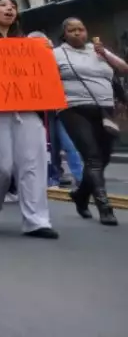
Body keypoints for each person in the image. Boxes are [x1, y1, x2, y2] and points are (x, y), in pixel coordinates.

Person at [0, 0, 57, 239]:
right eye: (3, 5)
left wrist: (46, 53)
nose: (9, 8)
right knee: (1, 165)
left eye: (13, 6)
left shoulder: (27, 43)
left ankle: (37, 221)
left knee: (32, 164)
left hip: (27, 109)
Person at [53, 17, 128, 226]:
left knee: (103, 157)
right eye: (72, 30)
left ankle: (81, 195)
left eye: (81, 29)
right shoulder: (56, 54)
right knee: (93, 157)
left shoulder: (97, 50)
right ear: (64, 34)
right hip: (73, 109)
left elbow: (123, 68)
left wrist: (104, 53)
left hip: (105, 109)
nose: (77, 33)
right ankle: (105, 208)